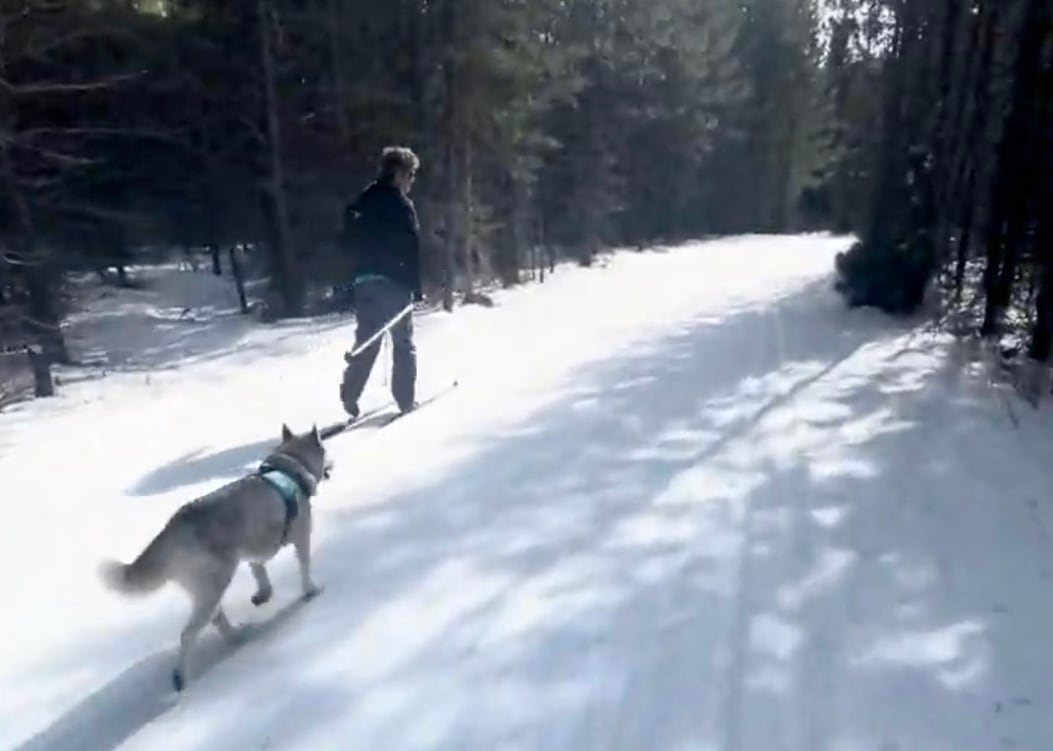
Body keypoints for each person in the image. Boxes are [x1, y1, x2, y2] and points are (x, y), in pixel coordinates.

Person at [339, 146, 423, 421]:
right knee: (402, 342)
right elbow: (411, 245)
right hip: (394, 281)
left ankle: (350, 393)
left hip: (364, 281)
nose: (412, 181)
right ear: (398, 173)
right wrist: (416, 286)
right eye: (410, 175)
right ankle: (405, 400)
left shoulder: (362, 200)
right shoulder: (400, 204)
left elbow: (347, 240)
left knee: (368, 338)